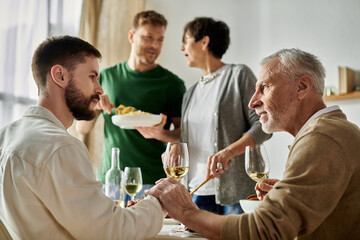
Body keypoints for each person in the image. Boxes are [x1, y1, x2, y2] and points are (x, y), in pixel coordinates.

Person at [146, 48, 360, 239]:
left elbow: (265, 230)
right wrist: (289, 195)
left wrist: (186, 211)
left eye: (264, 87)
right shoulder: (330, 132)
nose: (252, 102)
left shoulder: (322, 138)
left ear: (302, 86)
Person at [0, 35, 166, 239]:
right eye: (92, 77)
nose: (100, 89)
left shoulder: (5, 136)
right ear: (59, 75)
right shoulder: (61, 147)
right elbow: (111, 231)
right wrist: (160, 202)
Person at [76, 10, 186, 200]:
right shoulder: (106, 76)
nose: (154, 45)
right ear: (131, 36)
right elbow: (82, 128)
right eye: (148, 37)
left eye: (160, 40)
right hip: (112, 179)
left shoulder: (172, 84)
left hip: (153, 181)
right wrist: (94, 107)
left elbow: (183, 133)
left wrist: (162, 134)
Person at [180, 17, 270, 214]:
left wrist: (229, 151)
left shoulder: (239, 75)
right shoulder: (190, 93)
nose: (181, 48)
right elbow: (190, 139)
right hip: (197, 192)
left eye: (185, 40)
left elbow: (263, 126)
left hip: (235, 194)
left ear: (204, 42)